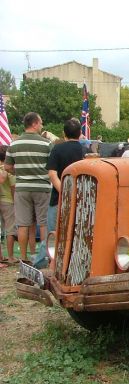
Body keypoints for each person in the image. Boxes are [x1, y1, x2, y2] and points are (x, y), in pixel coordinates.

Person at [32, 118, 85, 269]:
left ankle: (40, 262)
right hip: (81, 199)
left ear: (64, 133)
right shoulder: (85, 151)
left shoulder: (58, 149)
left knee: (52, 233)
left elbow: (52, 174)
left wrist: (64, 192)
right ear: (80, 133)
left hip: (58, 199)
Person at [4, 112, 52, 265]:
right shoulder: (46, 144)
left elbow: (7, 167)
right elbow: (51, 166)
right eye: (41, 122)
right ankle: (44, 256)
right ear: (34, 124)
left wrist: (19, 172)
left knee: (23, 224)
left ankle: (24, 257)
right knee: (43, 223)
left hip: (22, 187)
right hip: (42, 187)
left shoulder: (14, 144)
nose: (42, 125)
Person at [0, 145, 17, 265]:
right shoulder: (8, 170)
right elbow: (13, 187)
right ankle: (10, 256)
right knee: (10, 229)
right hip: (8, 201)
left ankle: (1, 256)